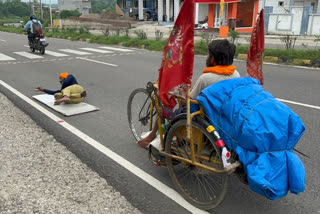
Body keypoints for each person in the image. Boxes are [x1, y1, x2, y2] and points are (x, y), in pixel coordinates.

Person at [137, 39, 240, 148]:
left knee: (162, 108)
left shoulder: (206, 78)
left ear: (213, 59)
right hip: (223, 115)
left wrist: (182, 93)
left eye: (209, 55)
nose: (207, 57)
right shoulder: (236, 74)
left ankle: (153, 136)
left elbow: (189, 101)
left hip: (202, 118)